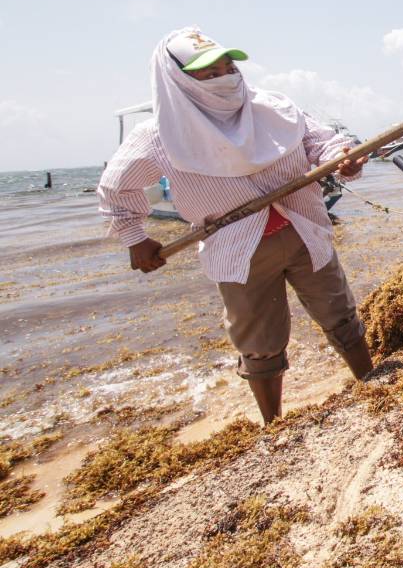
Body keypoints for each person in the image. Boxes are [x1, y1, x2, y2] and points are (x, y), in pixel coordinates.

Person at [97, 27, 373, 424]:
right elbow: (115, 186)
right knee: (259, 342)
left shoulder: (274, 108)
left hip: (305, 232)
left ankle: (372, 384)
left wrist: (343, 158)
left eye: (229, 67)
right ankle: (273, 424)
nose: (224, 77)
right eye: (209, 73)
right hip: (239, 253)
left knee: (340, 314)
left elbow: (321, 143)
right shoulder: (160, 136)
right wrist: (135, 236)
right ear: (178, 80)